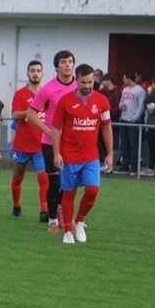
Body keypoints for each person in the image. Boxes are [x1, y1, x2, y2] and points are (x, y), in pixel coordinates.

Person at [52, 63, 113, 244]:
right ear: (76, 80)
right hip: (69, 156)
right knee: (69, 194)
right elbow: (56, 129)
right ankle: (68, 232)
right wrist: (56, 153)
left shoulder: (102, 101)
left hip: (91, 157)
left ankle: (79, 221)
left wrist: (110, 153)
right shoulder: (65, 101)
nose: (87, 86)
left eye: (90, 82)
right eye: (83, 82)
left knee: (93, 190)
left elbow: (107, 127)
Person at [26, 50, 77, 230]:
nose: (67, 65)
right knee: (54, 182)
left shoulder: (79, 87)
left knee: (70, 181)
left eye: (70, 61)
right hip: (49, 142)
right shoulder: (48, 88)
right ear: (57, 66)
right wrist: (49, 131)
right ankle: (53, 219)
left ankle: (63, 212)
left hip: (71, 143)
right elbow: (30, 114)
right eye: (63, 62)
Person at [9, 60, 49, 218]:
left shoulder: (47, 93)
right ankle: (16, 205)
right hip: (22, 144)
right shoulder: (20, 94)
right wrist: (30, 111)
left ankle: (44, 210)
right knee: (18, 177)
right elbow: (14, 114)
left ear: (42, 73)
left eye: (38, 70)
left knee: (43, 177)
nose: (35, 73)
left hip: (41, 144)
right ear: (27, 73)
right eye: (32, 70)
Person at [116, 71, 146, 175]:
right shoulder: (125, 89)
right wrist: (121, 106)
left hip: (133, 122)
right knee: (124, 145)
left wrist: (135, 118)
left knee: (134, 145)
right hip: (124, 119)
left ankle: (134, 168)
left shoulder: (140, 90)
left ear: (130, 79)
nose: (123, 80)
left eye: (124, 78)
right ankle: (124, 167)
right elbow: (121, 101)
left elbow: (141, 106)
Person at [99, 75, 121, 172]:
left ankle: (110, 165)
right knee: (101, 144)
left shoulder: (117, 93)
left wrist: (107, 112)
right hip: (103, 121)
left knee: (111, 144)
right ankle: (104, 164)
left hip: (113, 122)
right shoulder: (104, 92)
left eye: (104, 80)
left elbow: (117, 108)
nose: (102, 83)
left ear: (109, 81)